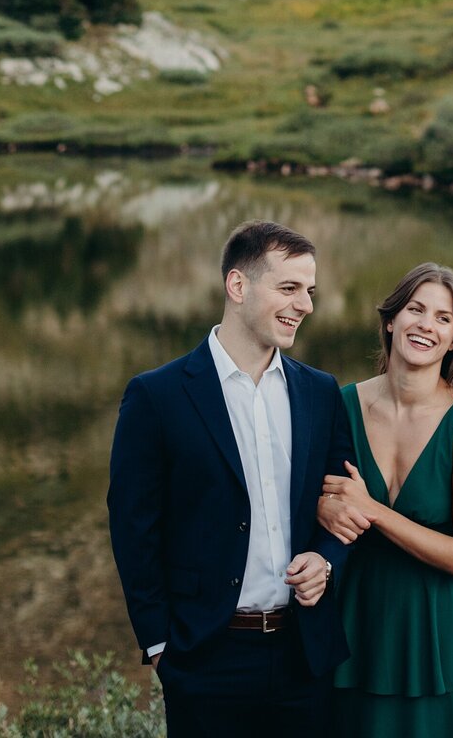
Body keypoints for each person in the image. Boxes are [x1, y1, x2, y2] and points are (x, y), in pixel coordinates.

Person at [107, 219, 355, 737]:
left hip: (304, 656)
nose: (305, 305)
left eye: (309, 291)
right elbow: (134, 527)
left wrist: (327, 561)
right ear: (237, 286)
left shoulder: (320, 392)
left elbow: (343, 504)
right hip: (205, 660)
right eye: (289, 288)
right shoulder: (157, 395)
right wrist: (160, 647)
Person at [318, 261, 453, 737]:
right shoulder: (337, 406)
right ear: (390, 320)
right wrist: (322, 507)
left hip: (437, 642)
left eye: (443, 318)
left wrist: (373, 510)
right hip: (355, 632)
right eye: (415, 309)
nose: (426, 324)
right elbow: (306, 504)